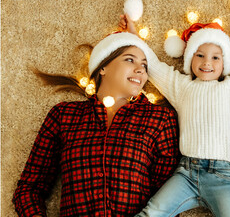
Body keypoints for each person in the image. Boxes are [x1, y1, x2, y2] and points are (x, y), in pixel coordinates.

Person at [13, 32, 180, 217]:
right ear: (103, 67)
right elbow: (29, 189)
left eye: (145, 65)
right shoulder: (64, 116)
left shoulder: (160, 119)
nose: (141, 69)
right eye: (130, 60)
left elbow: (169, 200)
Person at [119, 8, 230, 217]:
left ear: (225, 63)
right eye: (200, 55)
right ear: (190, 59)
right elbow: (153, 65)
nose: (207, 62)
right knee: (151, 212)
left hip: (221, 176)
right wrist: (133, 33)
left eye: (215, 57)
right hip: (186, 173)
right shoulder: (181, 86)